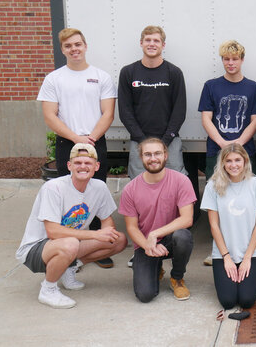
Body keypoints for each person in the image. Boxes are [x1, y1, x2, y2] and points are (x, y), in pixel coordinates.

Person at [37, 27, 117, 269]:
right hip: (67, 143)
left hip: (95, 141)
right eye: (69, 46)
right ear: (63, 50)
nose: (74, 49)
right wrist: (76, 138)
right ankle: (67, 245)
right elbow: (50, 116)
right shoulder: (54, 79)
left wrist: (90, 138)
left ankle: (96, 244)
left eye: (78, 44)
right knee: (66, 195)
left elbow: (108, 113)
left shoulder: (101, 77)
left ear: (85, 46)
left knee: (95, 191)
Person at [15, 144, 127, 308]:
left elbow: (107, 221)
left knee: (119, 240)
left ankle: (68, 268)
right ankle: (48, 289)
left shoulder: (99, 187)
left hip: (69, 244)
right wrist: (96, 235)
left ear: (96, 166)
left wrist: (107, 233)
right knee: (71, 243)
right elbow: (52, 231)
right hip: (36, 248)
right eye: (78, 162)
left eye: (88, 163)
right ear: (69, 166)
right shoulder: (53, 188)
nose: (83, 166)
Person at [198, 40, 256, 266]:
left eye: (235, 59)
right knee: (218, 201)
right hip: (216, 152)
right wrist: (223, 143)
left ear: (242, 60)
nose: (230, 63)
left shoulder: (253, 88)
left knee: (246, 201)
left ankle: (248, 248)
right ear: (222, 61)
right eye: (226, 59)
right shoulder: (211, 86)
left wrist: (237, 144)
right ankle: (218, 248)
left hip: (244, 153)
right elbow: (206, 117)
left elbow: (255, 120)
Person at [118, 138, 196, 303]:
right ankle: (156, 268)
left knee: (183, 236)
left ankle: (177, 278)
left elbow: (187, 219)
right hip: (146, 244)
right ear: (141, 158)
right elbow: (131, 228)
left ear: (166, 155)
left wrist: (156, 233)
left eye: (157, 153)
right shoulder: (130, 189)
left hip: (170, 239)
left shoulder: (181, 181)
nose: (153, 158)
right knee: (145, 295)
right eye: (148, 154)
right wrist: (148, 244)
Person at [200, 144, 256, 318]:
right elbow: (214, 226)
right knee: (228, 301)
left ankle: (245, 270)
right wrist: (226, 258)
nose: (233, 165)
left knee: (247, 300)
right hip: (224, 253)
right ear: (222, 163)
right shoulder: (213, 186)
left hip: (251, 253)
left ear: (245, 161)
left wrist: (247, 258)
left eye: (237, 160)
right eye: (228, 160)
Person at [118, 25, 187, 179]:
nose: (151, 44)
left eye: (156, 40)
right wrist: (143, 142)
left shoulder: (174, 73)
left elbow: (179, 111)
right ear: (141, 43)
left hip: (170, 141)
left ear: (163, 45)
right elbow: (125, 111)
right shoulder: (128, 72)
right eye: (147, 40)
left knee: (174, 184)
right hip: (139, 142)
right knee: (139, 185)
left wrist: (164, 142)